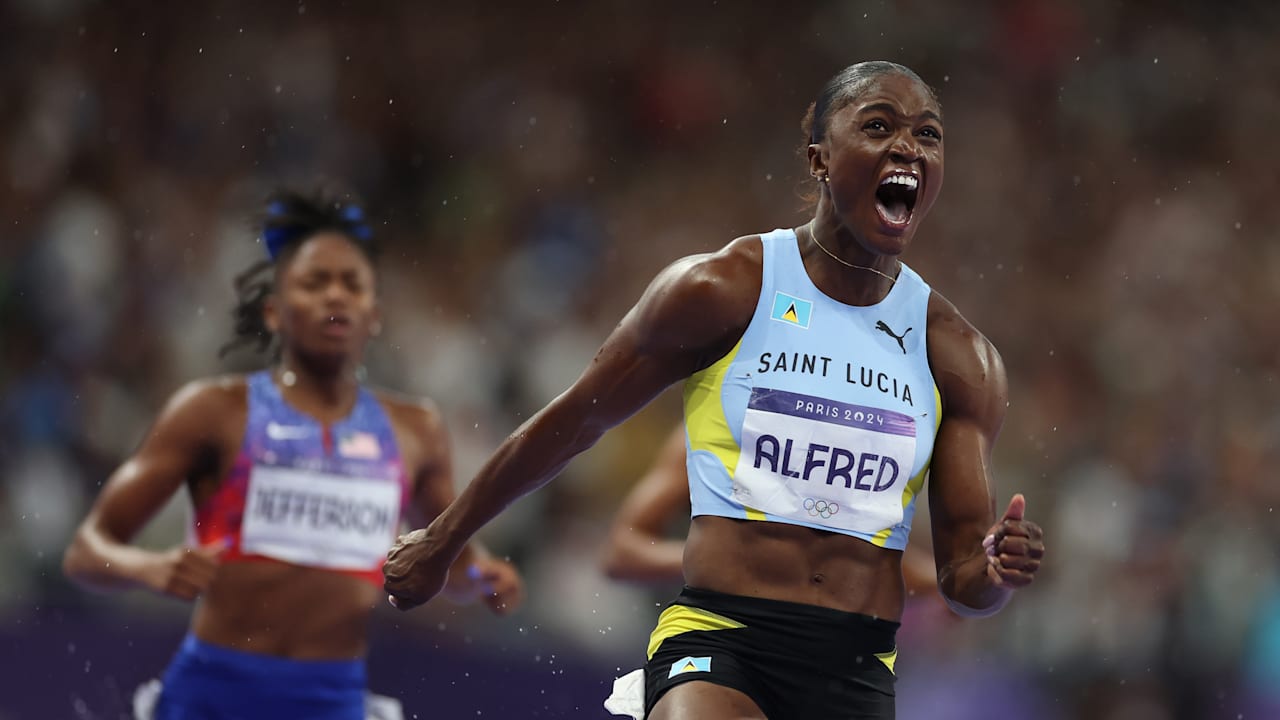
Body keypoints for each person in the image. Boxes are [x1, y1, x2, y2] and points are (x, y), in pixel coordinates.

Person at [384, 60, 1045, 720]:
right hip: (720, 638)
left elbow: (964, 584)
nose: (908, 147)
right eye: (878, 126)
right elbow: (573, 421)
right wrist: (442, 540)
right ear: (818, 157)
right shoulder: (724, 290)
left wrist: (996, 572)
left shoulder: (958, 358)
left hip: (855, 668)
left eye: (928, 136)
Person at [62, 188, 523, 720]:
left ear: (373, 314)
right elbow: (85, 551)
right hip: (210, 697)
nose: (335, 297)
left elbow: (452, 565)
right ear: (275, 312)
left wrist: (485, 577)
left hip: (333, 701)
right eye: (314, 282)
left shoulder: (415, 430)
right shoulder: (213, 411)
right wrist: (147, 567)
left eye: (352, 284)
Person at [599, 424, 940, 599]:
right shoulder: (713, 430)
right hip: (700, 628)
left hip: (818, 654)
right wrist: (722, 555)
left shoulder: (833, 449)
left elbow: (864, 559)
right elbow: (621, 553)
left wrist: (948, 583)